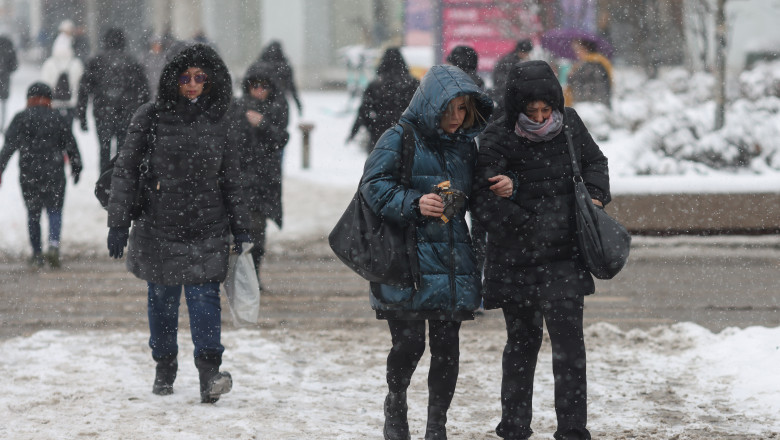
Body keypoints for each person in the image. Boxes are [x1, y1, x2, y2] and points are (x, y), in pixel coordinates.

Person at [360, 64, 510, 440]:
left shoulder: (464, 146)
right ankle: (396, 400)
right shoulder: (398, 137)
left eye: (462, 109)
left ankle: (436, 425)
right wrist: (412, 202)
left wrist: (507, 185)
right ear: (430, 105)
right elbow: (373, 186)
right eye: (448, 108)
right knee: (408, 345)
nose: (456, 118)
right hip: (406, 262)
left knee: (447, 350)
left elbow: (477, 194)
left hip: (453, 261)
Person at [471, 60, 610, 440]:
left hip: (565, 256)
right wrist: (532, 222)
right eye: (531, 111)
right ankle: (514, 427)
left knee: (569, 348)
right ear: (516, 106)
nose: (540, 116)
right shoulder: (497, 135)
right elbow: (483, 200)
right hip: (517, 260)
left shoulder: (570, 126)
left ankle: (572, 429)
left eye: (545, 109)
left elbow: (596, 163)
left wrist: (595, 199)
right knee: (521, 344)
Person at [105, 44, 250, 404]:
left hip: (208, 224)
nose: (193, 85)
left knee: (204, 301)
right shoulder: (150, 116)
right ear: (174, 79)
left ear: (212, 79)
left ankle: (208, 374)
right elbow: (124, 169)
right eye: (185, 77)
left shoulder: (223, 118)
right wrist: (118, 222)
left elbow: (232, 176)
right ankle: (164, 367)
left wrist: (244, 227)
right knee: (163, 301)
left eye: (201, 77)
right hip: (160, 224)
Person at [0, 83, 81, 268]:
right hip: (54, 171)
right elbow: (71, 144)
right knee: (55, 209)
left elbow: (8, 147)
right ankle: (53, 246)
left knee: (33, 213)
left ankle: (36, 253)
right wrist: (77, 166)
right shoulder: (57, 118)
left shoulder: (21, 118)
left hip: (29, 173)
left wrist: (0, 168)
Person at [229, 61, 290, 287]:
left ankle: (252, 275)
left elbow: (281, 138)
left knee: (257, 233)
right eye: (255, 85)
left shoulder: (276, 108)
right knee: (240, 232)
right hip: (242, 181)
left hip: (264, 181)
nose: (259, 90)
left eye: (264, 86)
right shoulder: (237, 109)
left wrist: (263, 123)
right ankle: (239, 277)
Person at [77, 28, 149, 172]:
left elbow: (84, 90)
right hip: (127, 113)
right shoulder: (132, 61)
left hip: (103, 112)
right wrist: (145, 116)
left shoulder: (96, 61)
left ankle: (104, 181)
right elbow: (143, 91)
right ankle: (121, 180)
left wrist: (82, 115)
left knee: (104, 149)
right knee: (124, 150)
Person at [347, 47, 419, 153]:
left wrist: (367, 128)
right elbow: (422, 110)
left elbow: (364, 111)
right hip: (407, 137)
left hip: (380, 138)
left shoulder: (375, 85)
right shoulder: (413, 84)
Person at [41, 34, 84, 125]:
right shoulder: (76, 63)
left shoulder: (49, 63)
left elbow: (44, 84)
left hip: (54, 103)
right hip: (71, 103)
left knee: (53, 129)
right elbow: (80, 84)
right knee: (68, 129)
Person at [258, 40, 303, 116]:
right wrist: (297, 103)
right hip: (279, 101)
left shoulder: (261, 63)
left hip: (260, 99)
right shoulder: (284, 64)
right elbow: (291, 85)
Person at [491, 39, 533, 119]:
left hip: (503, 95)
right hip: (503, 96)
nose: (527, 55)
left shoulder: (511, 59)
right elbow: (503, 81)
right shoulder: (511, 61)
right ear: (521, 51)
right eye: (526, 53)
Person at [565, 39, 613, 108]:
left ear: (585, 48)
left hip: (591, 108)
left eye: (577, 49)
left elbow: (583, 87)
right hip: (596, 107)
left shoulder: (593, 64)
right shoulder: (596, 62)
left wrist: (571, 76)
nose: (576, 52)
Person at [0, 35, 18, 131]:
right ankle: (2, 125)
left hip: (4, 78)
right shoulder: (9, 47)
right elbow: (14, 66)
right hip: (4, 79)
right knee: (3, 103)